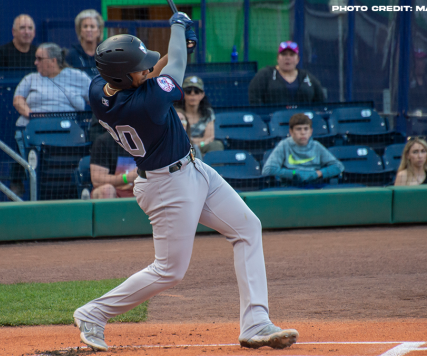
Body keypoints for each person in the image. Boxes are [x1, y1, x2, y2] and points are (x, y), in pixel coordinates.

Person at [73, 12, 298, 352]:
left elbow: (151, 71)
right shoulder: (146, 105)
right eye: (140, 67)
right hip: (168, 188)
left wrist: (177, 47)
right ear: (124, 77)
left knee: (248, 228)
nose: (147, 68)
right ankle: (94, 313)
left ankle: (255, 323)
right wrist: (177, 27)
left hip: (193, 171)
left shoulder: (99, 90)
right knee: (169, 271)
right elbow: (174, 64)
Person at [12, 42, 91, 155]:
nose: (35, 62)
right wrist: (33, 115)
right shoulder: (30, 79)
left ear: (53, 60)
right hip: (34, 129)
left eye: (39, 59)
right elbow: (18, 100)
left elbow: (96, 98)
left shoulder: (77, 77)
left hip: (67, 130)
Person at [262, 113, 343, 186]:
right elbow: (268, 170)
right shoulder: (284, 145)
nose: (303, 132)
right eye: (298, 129)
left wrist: (318, 173)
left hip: (315, 185)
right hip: (290, 187)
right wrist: (294, 173)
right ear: (291, 132)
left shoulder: (316, 146)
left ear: (311, 132)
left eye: (306, 129)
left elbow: (338, 166)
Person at [248, 41, 325, 105]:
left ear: (298, 59)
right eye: (284, 54)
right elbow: (254, 98)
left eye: (291, 55)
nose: (287, 58)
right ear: (278, 58)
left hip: (302, 121)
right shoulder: (265, 74)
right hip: (274, 121)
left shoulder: (307, 77)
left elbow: (321, 101)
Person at [174, 76, 223, 154]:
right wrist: (200, 141)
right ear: (183, 94)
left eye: (196, 91)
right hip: (181, 148)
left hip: (202, 149)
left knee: (216, 145)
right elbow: (177, 138)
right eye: (188, 91)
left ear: (202, 95)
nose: (193, 94)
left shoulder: (208, 113)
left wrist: (196, 144)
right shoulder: (177, 113)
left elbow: (209, 138)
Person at [89, 132, 138, 199]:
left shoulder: (147, 141)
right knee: (107, 189)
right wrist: (127, 178)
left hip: (140, 191)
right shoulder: (104, 141)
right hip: (114, 192)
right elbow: (97, 180)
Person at [66, 9, 104, 77]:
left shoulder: (105, 54)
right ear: (80, 30)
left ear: (99, 31)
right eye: (85, 26)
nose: (88, 30)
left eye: (92, 26)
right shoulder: (70, 55)